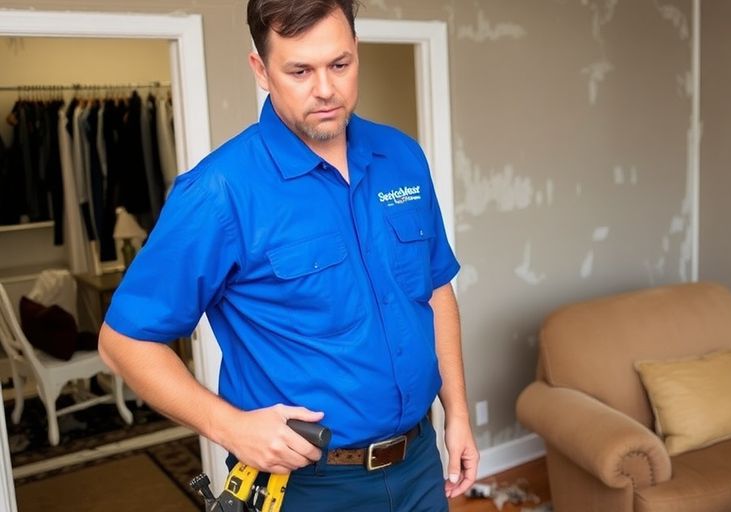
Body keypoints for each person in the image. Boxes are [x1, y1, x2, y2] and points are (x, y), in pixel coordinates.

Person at [97, 0, 478, 509]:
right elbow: (122, 342)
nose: (325, 89)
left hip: (420, 465)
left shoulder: (402, 157)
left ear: (356, 52)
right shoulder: (219, 192)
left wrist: (457, 413)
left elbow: (434, 289)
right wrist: (228, 426)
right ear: (261, 69)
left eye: (339, 65)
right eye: (299, 70)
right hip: (308, 487)